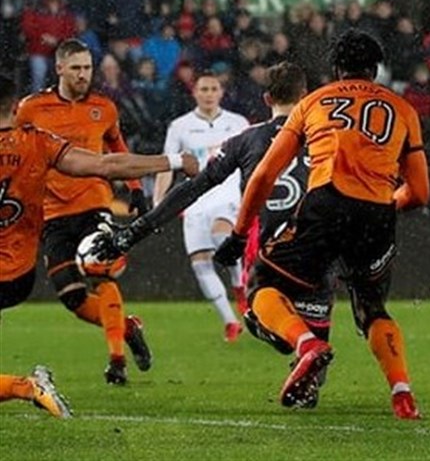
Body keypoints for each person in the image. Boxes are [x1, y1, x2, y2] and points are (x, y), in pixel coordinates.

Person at [90, 62, 336, 407]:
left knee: (263, 317)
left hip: (271, 250)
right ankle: (326, 362)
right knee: (314, 351)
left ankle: (298, 345)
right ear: (306, 96)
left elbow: (193, 187)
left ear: (266, 98)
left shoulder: (246, 138)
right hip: (323, 248)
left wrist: (132, 233)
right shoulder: (330, 137)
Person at [213, 29, 430, 418]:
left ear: (336, 68)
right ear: (375, 69)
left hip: (326, 204)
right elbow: (420, 192)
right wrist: (385, 206)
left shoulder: (313, 102)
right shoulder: (403, 110)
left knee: (264, 283)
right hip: (377, 214)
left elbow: (264, 175)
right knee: (372, 307)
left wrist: (240, 233)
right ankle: (402, 392)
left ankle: (307, 345)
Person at [0, 74, 197, 411]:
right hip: (19, 275)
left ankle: (33, 386)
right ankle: (33, 385)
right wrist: (174, 160)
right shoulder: (37, 142)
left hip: (86, 211)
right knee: (74, 295)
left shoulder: (95, 109)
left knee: (98, 267)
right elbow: (106, 164)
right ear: (16, 107)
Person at [153, 71, 250, 342]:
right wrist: (158, 202)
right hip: (195, 200)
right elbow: (167, 165)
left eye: (213, 89)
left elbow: (252, 160)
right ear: (194, 93)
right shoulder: (180, 126)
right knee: (200, 263)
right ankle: (230, 322)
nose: (208, 94)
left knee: (222, 235)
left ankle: (238, 285)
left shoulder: (238, 123)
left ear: (222, 92)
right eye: (204, 89)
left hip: (227, 195)